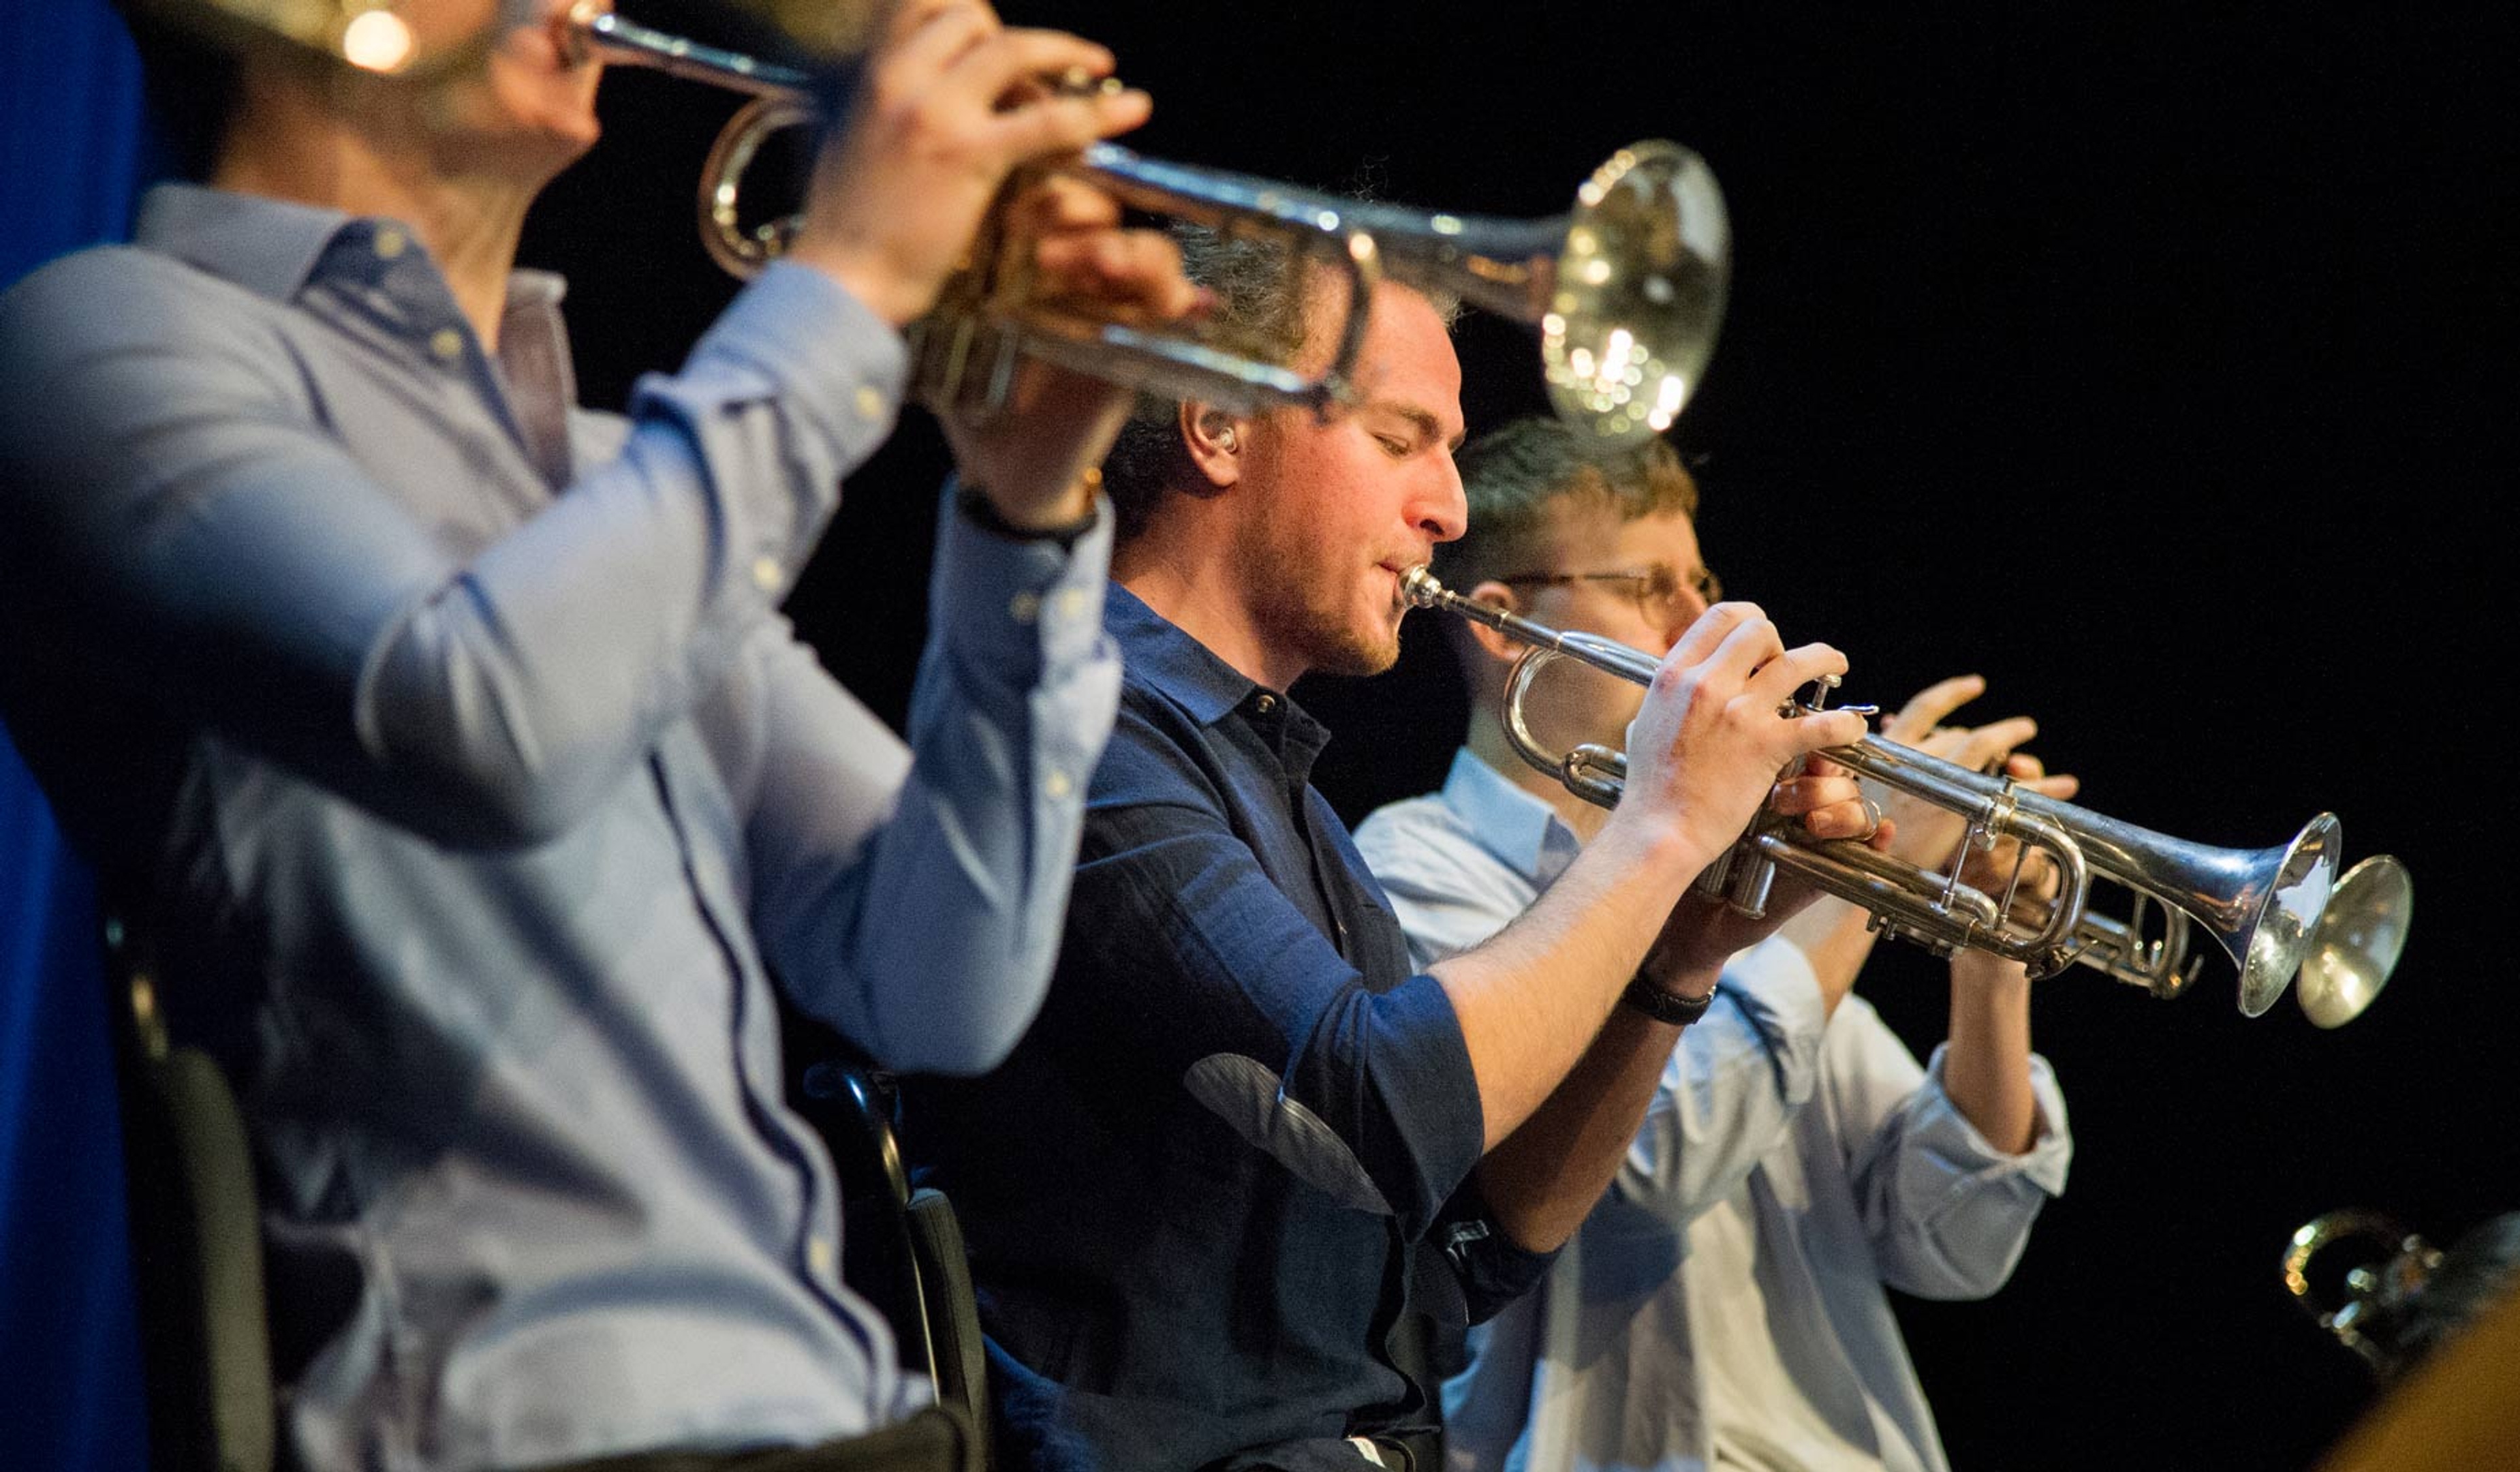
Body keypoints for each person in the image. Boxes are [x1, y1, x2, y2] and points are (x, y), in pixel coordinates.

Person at [0, 1, 1198, 1467]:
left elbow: (941, 980)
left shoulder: (620, 478)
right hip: (522, 1433)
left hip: (856, 1422)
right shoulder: (92, 342)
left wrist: (1027, 515)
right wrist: (859, 272)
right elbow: (483, 720)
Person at [898, 229, 1880, 1472]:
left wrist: (1681, 955)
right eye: (1400, 438)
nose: (1451, 510)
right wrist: (1665, 822)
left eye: (1452, 454)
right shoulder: (1081, 729)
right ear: (1218, 422)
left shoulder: (1282, 791)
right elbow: (1375, 1093)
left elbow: (1469, 1255)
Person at [1352, 417, 2075, 1472]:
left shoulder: (1739, 869)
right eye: (1652, 589)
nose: (1713, 624)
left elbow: (1953, 1246)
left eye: (1704, 581)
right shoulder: (1417, 871)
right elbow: (1652, 1173)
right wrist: (1852, 903)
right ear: (1505, 626)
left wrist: (1989, 949)